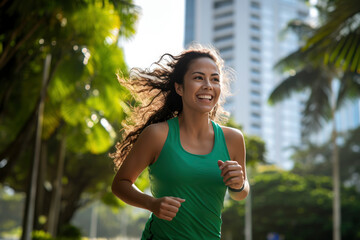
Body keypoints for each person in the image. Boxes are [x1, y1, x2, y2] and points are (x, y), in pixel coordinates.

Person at [111, 45, 249, 240]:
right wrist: (152, 204)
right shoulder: (157, 135)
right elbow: (120, 184)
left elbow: (241, 193)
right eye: (198, 77)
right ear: (179, 87)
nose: (208, 85)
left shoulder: (233, 139)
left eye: (215, 79)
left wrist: (238, 184)